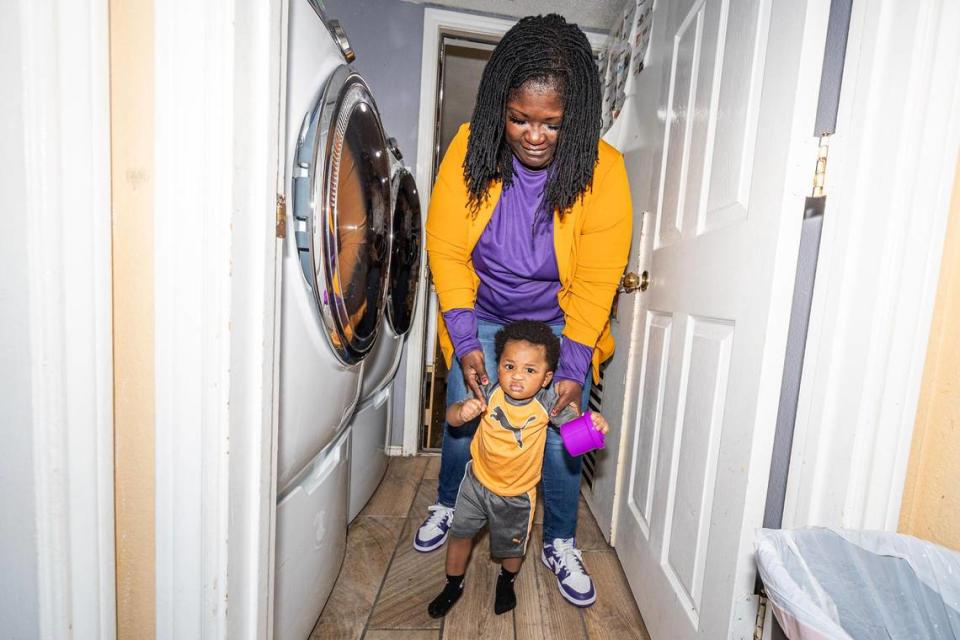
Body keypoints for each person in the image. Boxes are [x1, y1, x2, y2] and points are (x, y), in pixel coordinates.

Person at [418, 13, 632, 608]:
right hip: (480, 309)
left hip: (561, 323)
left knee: (570, 441)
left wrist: (573, 364)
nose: (534, 135)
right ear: (499, 108)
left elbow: (595, 281)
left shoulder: (605, 172)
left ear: (577, 119)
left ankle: (560, 539)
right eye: (519, 118)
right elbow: (447, 249)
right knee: (469, 419)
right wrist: (465, 341)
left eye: (552, 124)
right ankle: (450, 501)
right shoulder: (469, 148)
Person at [427, 321, 610, 618]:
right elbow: (451, 419)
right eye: (509, 366)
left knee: (512, 551)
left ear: (547, 377)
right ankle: (453, 585)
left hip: (518, 496)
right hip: (476, 484)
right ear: (497, 365)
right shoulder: (487, 392)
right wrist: (461, 413)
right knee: (460, 535)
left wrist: (595, 426)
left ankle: (506, 582)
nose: (516, 378)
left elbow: (580, 443)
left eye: (529, 371)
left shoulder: (548, 404)